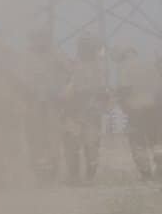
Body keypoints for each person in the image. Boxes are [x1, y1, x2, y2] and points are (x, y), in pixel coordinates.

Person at [20, 28, 70, 185]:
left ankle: (52, 172)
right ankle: (39, 174)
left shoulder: (57, 54)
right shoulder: (25, 57)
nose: (39, 42)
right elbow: (18, 79)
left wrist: (62, 91)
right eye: (36, 38)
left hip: (52, 103)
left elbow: (70, 73)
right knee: (35, 139)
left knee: (53, 138)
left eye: (43, 38)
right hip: (32, 103)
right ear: (31, 40)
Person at [64, 33, 110, 184]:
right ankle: (76, 176)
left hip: (88, 111)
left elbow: (102, 91)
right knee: (75, 145)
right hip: (77, 111)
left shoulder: (97, 67)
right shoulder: (75, 65)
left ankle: (86, 177)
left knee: (90, 145)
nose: (83, 50)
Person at [116, 48, 162, 182]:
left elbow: (123, 89)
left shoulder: (125, 68)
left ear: (124, 57)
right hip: (156, 109)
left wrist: (123, 105)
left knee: (138, 143)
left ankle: (146, 174)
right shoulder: (150, 65)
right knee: (156, 141)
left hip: (137, 110)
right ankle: (160, 168)